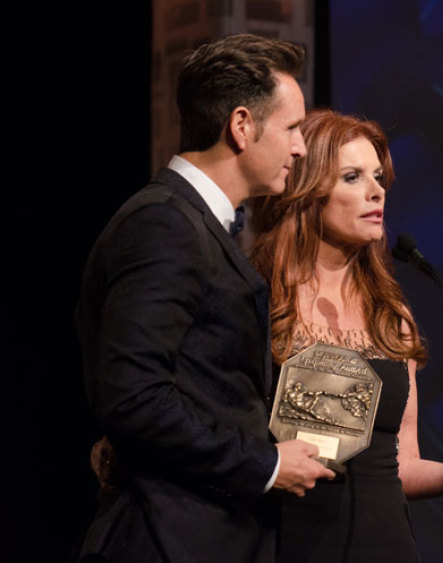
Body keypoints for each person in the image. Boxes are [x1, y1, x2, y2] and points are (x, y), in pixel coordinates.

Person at [75, 34, 335, 563]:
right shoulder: (164, 223)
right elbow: (134, 397)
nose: (301, 148)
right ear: (242, 125)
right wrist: (265, 465)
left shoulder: (193, 224)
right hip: (168, 538)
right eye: (291, 129)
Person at [249, 108, 443, 562]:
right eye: (352, 177)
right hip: (287, 543)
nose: (376, 190)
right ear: (308, 191)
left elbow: (401, 464)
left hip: (385, 545)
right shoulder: (259, 301)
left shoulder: (390, 315)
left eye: (379, 177)